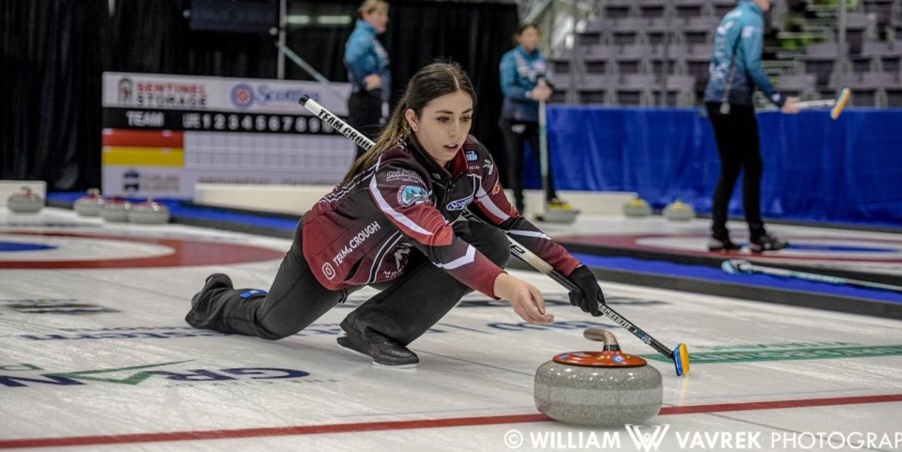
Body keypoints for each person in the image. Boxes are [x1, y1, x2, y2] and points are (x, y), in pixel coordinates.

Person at [185, 62, 605, 367]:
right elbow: (440, 244)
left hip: (397, 258)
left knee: (491, 240)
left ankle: (374, 327)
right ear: (413, 118)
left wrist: (575, 270)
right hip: (332, 258)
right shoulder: (395, 172)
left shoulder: (473, 159)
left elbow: (509, 223)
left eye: (464, 118)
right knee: (271, 323)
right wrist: (507, 286)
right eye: (442, 119)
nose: (456, 133)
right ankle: (214, 297)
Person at [703, 0, 800, 254]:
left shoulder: (730, 17)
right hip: (733, 100)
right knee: (752, 165)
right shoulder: (752, 18)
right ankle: (757, 234)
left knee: (731, 166)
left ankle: (718, 233)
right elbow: (752, 65)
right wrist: (778, 98)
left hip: (716, 99)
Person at [498, 23, 568, 216]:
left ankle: (552, 200)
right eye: (529, 34)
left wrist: (548, 89)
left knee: (544, 159)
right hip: (514, 118)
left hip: (536, 118)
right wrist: (530, 93)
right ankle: (519, 206)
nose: (534, 38)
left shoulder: (541, 59)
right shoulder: (510, 58)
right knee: (516, 161)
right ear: (519, 37)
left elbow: (548, 80)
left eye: (536, 35)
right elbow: (508, 88)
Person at [344, 0, 391, 158]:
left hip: (369, 99)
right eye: (381, 14)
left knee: (369, 149)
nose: (385, 18)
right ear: (366, 15)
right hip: (365, 99)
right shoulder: (362, 36)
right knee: (367, 149)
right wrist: (364, 82)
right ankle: (356, 183)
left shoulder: (369, 37)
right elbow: (351, 58)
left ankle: (359, 183)